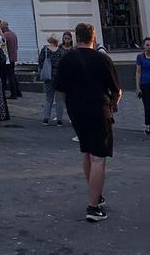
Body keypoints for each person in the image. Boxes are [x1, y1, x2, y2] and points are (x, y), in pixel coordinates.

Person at [54, 23, 121, 222]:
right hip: (98, 109)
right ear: (93, 37)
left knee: (86, 152)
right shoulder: (102, 59)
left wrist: (70, 105)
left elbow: (60, 89)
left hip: (77, 110)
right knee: (98, 157)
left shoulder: (67, 59)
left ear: (76, 37)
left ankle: (95, 194)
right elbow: (116, 90)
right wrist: (114, 105)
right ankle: (93, 207)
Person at [38, 36, 67, 126]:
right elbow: (64, 64)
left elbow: (40, 61)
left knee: (48, 98)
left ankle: (46, 119)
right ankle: (59, 120)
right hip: (59, 77)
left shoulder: (45, 50)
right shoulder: (61, 51)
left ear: (49, 41)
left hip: (48, 76)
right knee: (59, 99)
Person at [0, 20, 22, 98]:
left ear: (3, 27)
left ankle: (13, 94)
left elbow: (3, 48)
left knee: (9, 77)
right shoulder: (13, 34)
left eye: (1, 26)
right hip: (13, 58)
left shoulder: (5, 35)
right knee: (12, 75)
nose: (0, 28)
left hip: (7, 59)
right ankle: (18, 92)